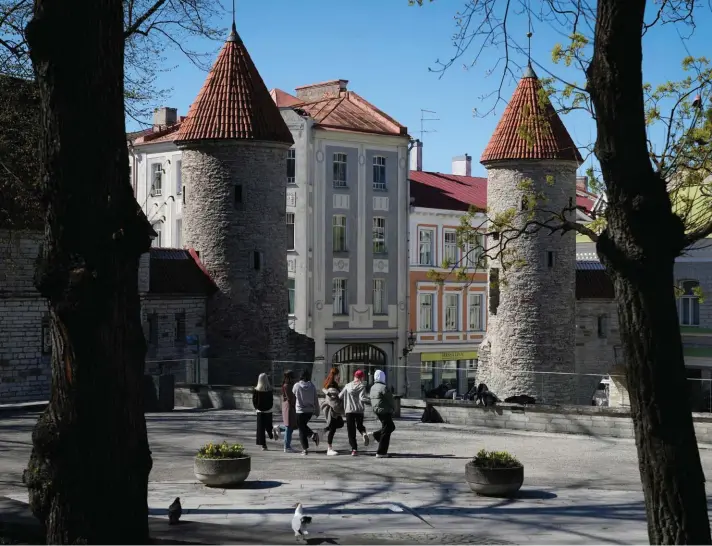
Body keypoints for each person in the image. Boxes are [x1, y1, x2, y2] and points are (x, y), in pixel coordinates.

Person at [339, 369, 370, 456]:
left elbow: (340, 396)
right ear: (362, 377)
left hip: (349, 411)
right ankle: (363, 433)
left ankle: (354, 449)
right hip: (359, 410)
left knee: (351, 431)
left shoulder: (347, 386)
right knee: (359, 425)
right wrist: (370, 400)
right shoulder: (362, 386)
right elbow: (362, 398)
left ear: (354, 376)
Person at [368, 369, 396, 458]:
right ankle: (381, 452)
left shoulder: (372, 387)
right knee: (386, 431)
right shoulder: (383, 387)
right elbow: (390, 399)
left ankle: (375, 435)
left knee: (390, 427)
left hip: (377, 410)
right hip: (385, 410)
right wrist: (393, 408)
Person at [292, 368, 320, 455]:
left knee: (301, 427)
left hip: (300, 410)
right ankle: (305, 449)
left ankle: (312, 436)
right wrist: (317, 410)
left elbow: (293, 393)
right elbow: (315, 399)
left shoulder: (297, 385)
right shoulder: (312, 386)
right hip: (309, 411)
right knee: (302, 428)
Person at [321, 366, 345, 456]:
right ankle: (329, 448)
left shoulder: (330, 385)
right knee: (332, 429)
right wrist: (342, 408)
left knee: (339, 424)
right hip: (332, 412)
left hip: (334, 412)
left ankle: (324, 430)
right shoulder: (332, 388)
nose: (339, 377)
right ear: (336, 376)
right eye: (339, 375)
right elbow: (335, 404)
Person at [252, 373, 277, 451]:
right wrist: (269, 407)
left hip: (260, 411)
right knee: (269, 426)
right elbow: (271, 400)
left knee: (260, 429)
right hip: (268, 410)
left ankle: (264, 445)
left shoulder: (256, 390)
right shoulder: (269, 390)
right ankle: (272, 434)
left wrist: (257, 407)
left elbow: (254, 400)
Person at [279, 370, 298, 453]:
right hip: (289, 407)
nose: (294, 379)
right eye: (292, 378)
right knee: (289, 427)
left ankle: (278, 428)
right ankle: (287, 446)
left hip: (288, 407)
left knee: (290, 426)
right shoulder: (287, 386)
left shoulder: (287, 385)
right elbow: (290, 398)